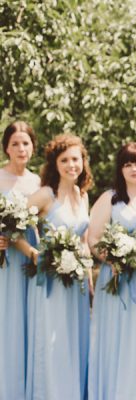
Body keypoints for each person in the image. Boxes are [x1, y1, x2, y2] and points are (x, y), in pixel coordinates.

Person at [87, 143, 136, 399]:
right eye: (128, 163)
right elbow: (94, 239)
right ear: (120, 169)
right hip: (119, 277)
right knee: (122, 336)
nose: (134, 168)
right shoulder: (110, 199)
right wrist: (115, 258)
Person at [24, 133, 93, 400]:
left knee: (74, 341)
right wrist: (32, 252)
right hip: (50, 281)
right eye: (64, 160)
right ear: (55, 164)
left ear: (83, 162)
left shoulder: (81, 194)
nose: (71, 165)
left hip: (76, 283)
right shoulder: (45, 195)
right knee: (52, 342)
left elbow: (85, 241)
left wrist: (89, 281)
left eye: (76, 159)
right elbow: (10, 223)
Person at [0, 121, 40, 400]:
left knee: (29, 321)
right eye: (15, 143)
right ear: (6, 147)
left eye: (26, 143)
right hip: (3, 259)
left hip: (29, 257)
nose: (21, 148)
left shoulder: (39, 181)